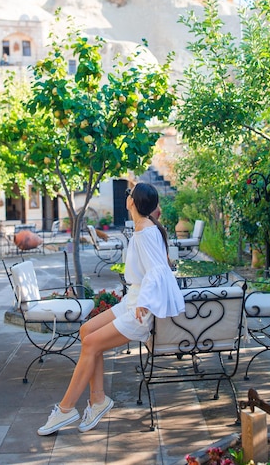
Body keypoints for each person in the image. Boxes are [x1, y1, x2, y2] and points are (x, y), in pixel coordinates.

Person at [37, 181, 185, 436]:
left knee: (91, 344)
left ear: (133, 202)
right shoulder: (143, 228)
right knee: (86, 331)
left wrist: (144, 302)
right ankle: (98, 401)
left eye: (129, 194)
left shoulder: (147, 231)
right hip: (134, 300)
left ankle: (65, 409)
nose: (126, 197)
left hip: (141, 308)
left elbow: (157, 271)